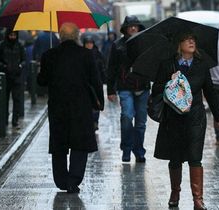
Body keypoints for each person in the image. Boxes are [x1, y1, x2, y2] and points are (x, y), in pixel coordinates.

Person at [151, 32, 219, 209]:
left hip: (195, 118)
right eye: (187, 39)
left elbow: (210, 92)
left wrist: (218, 117)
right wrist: (170, 81)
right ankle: (175, 192)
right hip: (173, 119)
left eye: (193, 39)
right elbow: (156, 90)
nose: (191, 42)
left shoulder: (201, 65)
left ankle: (197, 199)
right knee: (175, 158)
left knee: (195, 157)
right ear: (179, 44)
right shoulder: (168, 64)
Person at [37, 23, 104, 193]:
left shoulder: (49, 55)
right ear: (77, 37)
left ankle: (61, 180)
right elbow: (95, 80)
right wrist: (99, 102)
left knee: (59, 142)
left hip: (58, 106)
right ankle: (73, 180)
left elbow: (41, 81)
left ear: (60, 37)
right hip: (80, 105)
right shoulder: (86, 55)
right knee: (79, 143)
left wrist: (45, 66)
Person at [107, 15, 150, 163]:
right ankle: (126, 149)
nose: (133, 28)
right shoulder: (117, 45)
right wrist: (110, 90)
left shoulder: (145, 44)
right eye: (130, 26)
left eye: (135, 26)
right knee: (127, 116)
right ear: (125, 28)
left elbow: (152, 66)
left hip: (143, 87)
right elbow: (111, 68)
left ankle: (139, 151)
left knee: (140, 123)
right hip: (125, 87)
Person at [0, 29, 25, 128]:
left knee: (17, 99)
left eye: (14, 35)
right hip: (5, 77)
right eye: (11, 35)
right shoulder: (1, 46)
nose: (13, 37)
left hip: (16, 77)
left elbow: (24, 60)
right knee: (4, 100)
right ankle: (4, 119)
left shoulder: (19, 46)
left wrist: (20, 66)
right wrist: (3, 66)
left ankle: (15, 120)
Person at [83, 35, 106, 130]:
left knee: (97, 103)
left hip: (96, 83)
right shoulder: (81, 55)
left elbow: (103, 68)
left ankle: (95, 121)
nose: (89, 45)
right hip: (86, 84)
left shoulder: (98, 55)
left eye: (90, 43)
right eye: (87, 43)